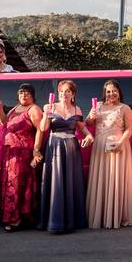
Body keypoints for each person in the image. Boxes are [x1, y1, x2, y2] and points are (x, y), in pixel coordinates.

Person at [38, 80, 93, 233]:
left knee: (71, 182)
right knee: (56, 181)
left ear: (73, 94)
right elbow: (43, 128)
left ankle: (71, 221)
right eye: (61, 91)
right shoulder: (50, 107)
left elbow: (81, 128)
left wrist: (89, 136)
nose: (64, 94)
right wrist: (46, 115)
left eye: (68, 91)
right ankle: (54, 221)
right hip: (54, 146)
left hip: (71, 149)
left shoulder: (77, 109)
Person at [85, 80, 132, 229]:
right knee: (101, 178)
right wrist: (91, 116)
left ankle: (116, 216)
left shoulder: (125, 108)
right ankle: (100, 215)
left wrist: (121, 142)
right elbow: (88, 123)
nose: (111, 93)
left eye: (114, 91)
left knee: (116, 179)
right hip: (100, 147)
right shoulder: (98, 106)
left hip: (118, 146)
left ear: (119, 92)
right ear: (104, 93)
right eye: (108, 91)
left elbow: (129, 129)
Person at [0, 83, 43, 232]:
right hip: (10, 154)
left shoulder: (34, 109)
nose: (24, 95)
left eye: (27, 92)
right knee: (10, 183)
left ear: (33, 95)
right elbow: (4, 123)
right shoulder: (15, 108)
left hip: (23, 154)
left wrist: (36, 150)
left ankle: (18, 218)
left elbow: (40, 130)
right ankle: (11, 216)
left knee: (18, 185)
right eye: (21, 92)